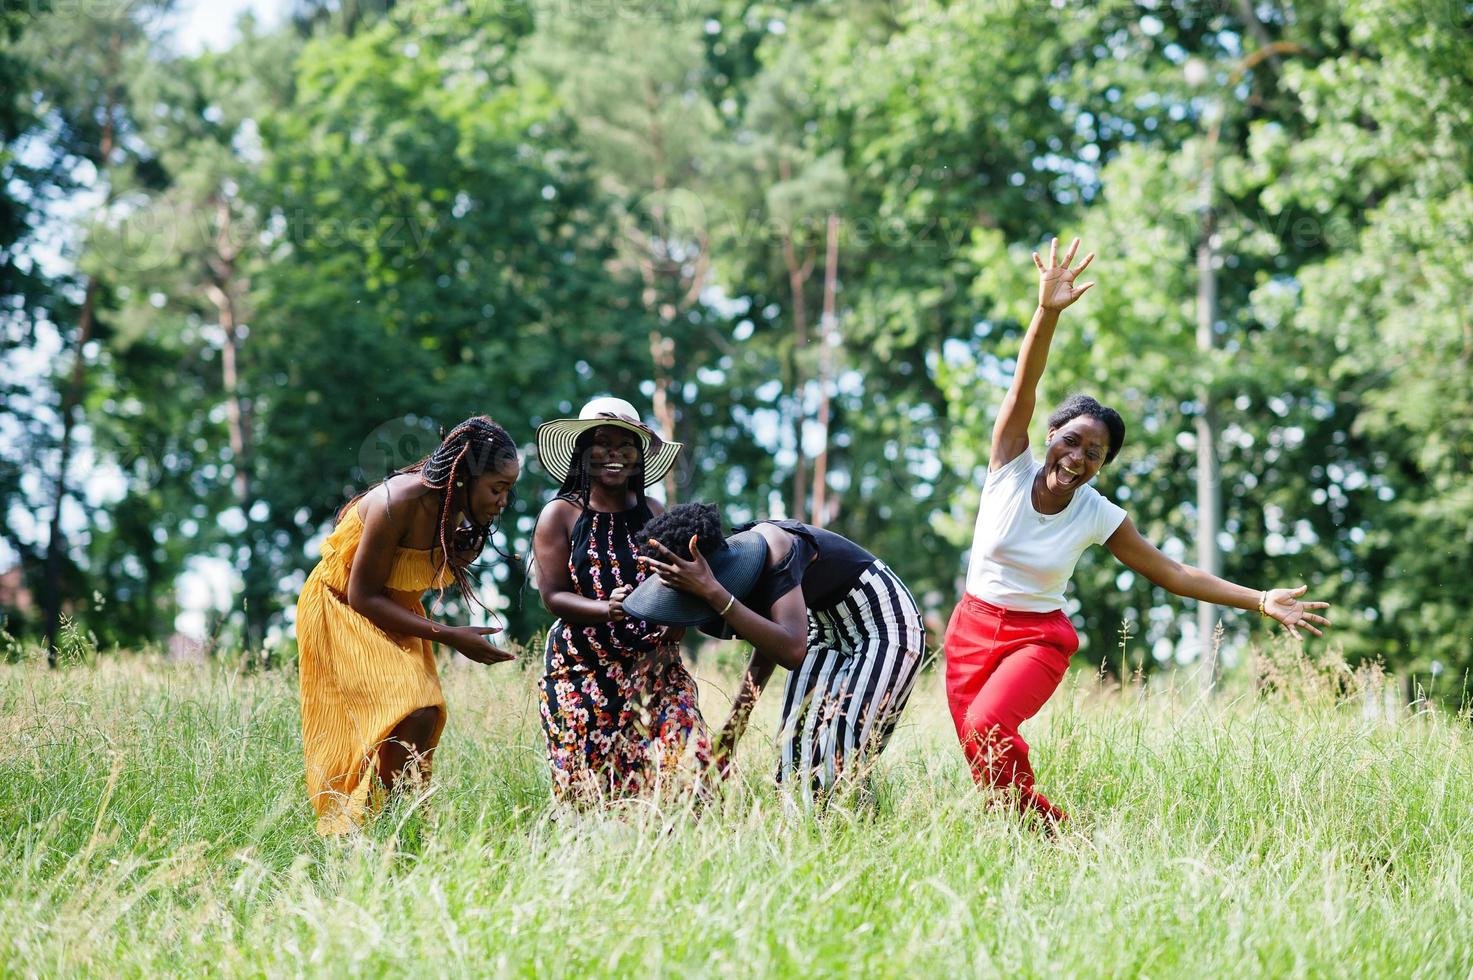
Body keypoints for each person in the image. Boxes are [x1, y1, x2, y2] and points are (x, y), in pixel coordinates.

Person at [945, 237, 1333, 825]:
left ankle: (1054, 836)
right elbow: (1026, 380)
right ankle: (1022, 845)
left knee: (988, 726)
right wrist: (1046, 312)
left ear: (1103, 465)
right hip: (971, 629)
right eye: (1071, 441)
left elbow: (1173, 573)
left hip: (1036, 640)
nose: (1077, 458)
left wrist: (1258, 600)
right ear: (1050, 435)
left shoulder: (1097, 513)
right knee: (982, 757)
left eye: (1094, 453)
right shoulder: (1008, 466)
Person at [296, 416, 520, 835]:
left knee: (423, 715)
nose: (504, 500)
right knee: (408, 707)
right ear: (463, 477)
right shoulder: (396, 502)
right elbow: (363, 594)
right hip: (340, 607)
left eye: (508, 489)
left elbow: (404, 573)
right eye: (497, 488)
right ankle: (373, 825)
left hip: (392, 608)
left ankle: (397, 826)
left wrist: (456, 556)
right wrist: (451, 636)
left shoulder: (450, 509)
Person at [630, 502, 926, 800]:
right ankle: (810, 839)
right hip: (823, 627)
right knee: (794, 754)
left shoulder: (775, 547)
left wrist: (714, 593)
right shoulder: (734, 574)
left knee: (837, 750)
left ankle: (855, 831)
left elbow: (792, 650)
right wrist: (732, 732)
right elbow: (770, 641)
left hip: (883, 620)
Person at [532, 397, 711, 804]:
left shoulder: (654, 511)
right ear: (581, 452)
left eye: (626, 444)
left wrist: (679, 618)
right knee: (592, 799)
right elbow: (552, 595)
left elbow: (677, 580)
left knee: (691, 766)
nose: (614, 454)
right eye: (602, 442)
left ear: (638, 455)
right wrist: (606, 609)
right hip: (582, 674)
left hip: (657, 668)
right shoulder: (559, 515)